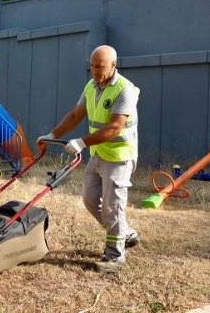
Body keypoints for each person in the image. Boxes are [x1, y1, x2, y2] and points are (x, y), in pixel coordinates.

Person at [36, 45, 140, 273]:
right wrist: (53, 135)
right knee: (90, 200)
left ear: (113, 65)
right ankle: (125, 233)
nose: (94, 70)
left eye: (99, 66)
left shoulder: (125, 90)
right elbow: (75, 115)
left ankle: (115, 257)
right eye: (92, 65)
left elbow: (114, 127)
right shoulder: (91, 86)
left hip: (119, 157)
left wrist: (82, 142)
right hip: (98, 154)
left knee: (113, 207)